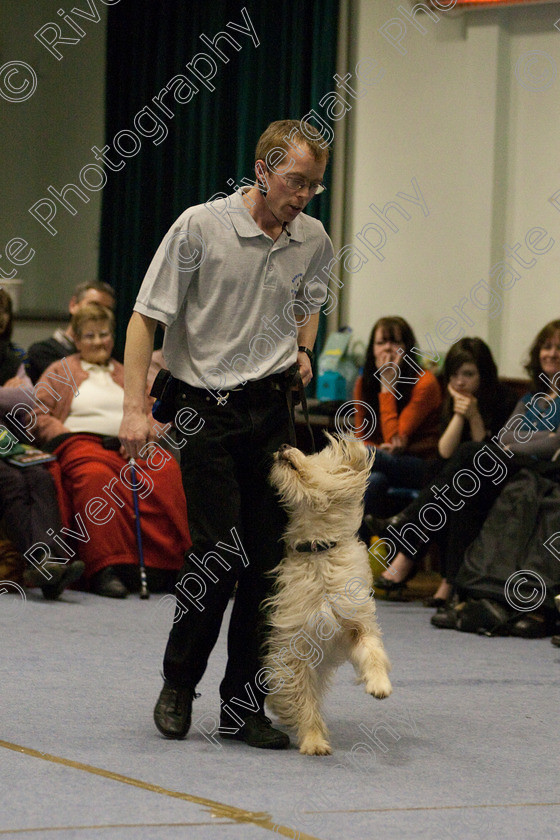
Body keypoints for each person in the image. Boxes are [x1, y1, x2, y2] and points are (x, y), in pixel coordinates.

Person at [118, 119, 334, 749]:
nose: (303, 196)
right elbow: (143, 320)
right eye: (295, 181)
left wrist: (303, 348)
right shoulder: (200, 227)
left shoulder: (312, 237)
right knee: (219, 556)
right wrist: (135, 410)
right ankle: (178, 685)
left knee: (270, 566)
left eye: (314, 186)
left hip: (270, 411)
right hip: (202, 410)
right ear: (263, 169)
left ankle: (243, 708)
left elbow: (310, 301)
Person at [370, 320, 560, 626]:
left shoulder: (513, 399)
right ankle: (453, 589)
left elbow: (552, 441)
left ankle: (406, 526)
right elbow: (506, 440)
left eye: (558, 348)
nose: (551, 353)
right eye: (547, 346)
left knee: (470, 456)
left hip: (541, 475)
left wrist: (522, 442)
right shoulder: (530, 399)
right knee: (461, 484)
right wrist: (527, 440)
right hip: (506, 468)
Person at [34, 302, 190, 598]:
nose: (98, 342)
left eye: (103, 334)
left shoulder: (126, 371)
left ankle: (168, 565)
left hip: (129, 443)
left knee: (166, 470)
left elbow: (153, 412)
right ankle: (107, 567)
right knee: (95, 478)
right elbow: (38, 413)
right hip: (80, 441)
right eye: (89, 336)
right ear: (77, 340)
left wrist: (144, 435)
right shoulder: (61, 370)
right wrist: (64, 434)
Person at [373, 337, 516, 603]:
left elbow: (488, 456)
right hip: (460, 486)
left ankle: (406, 539)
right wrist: (460, 414)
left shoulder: (504, 399)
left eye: (468, 374)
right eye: (454, 375)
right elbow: (444, 451)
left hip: (497, 480)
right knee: (449, 481)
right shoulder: (453, 399)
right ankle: (446, 584)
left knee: (458, 475)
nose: (460, 381)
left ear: (483, 375)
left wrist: (473, 415)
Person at [353, 316, 442, 525]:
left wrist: (387, 386)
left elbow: (394, 439)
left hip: (419, 465)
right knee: (373, 481)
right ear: (372, 349)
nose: (388, 350)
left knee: (360, 453)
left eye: (396, 343)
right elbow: (361, 436)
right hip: (380, 463)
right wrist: (381, 450)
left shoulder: (425, 383)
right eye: (381, 343)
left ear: (408, 348)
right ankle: (362, 552)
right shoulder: (363, 383)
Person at [25, 281, 115, 383]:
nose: (100, 313)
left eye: (107, 309)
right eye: (94, 305)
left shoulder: (113, 355)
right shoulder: (42, 352)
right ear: (73, 305)